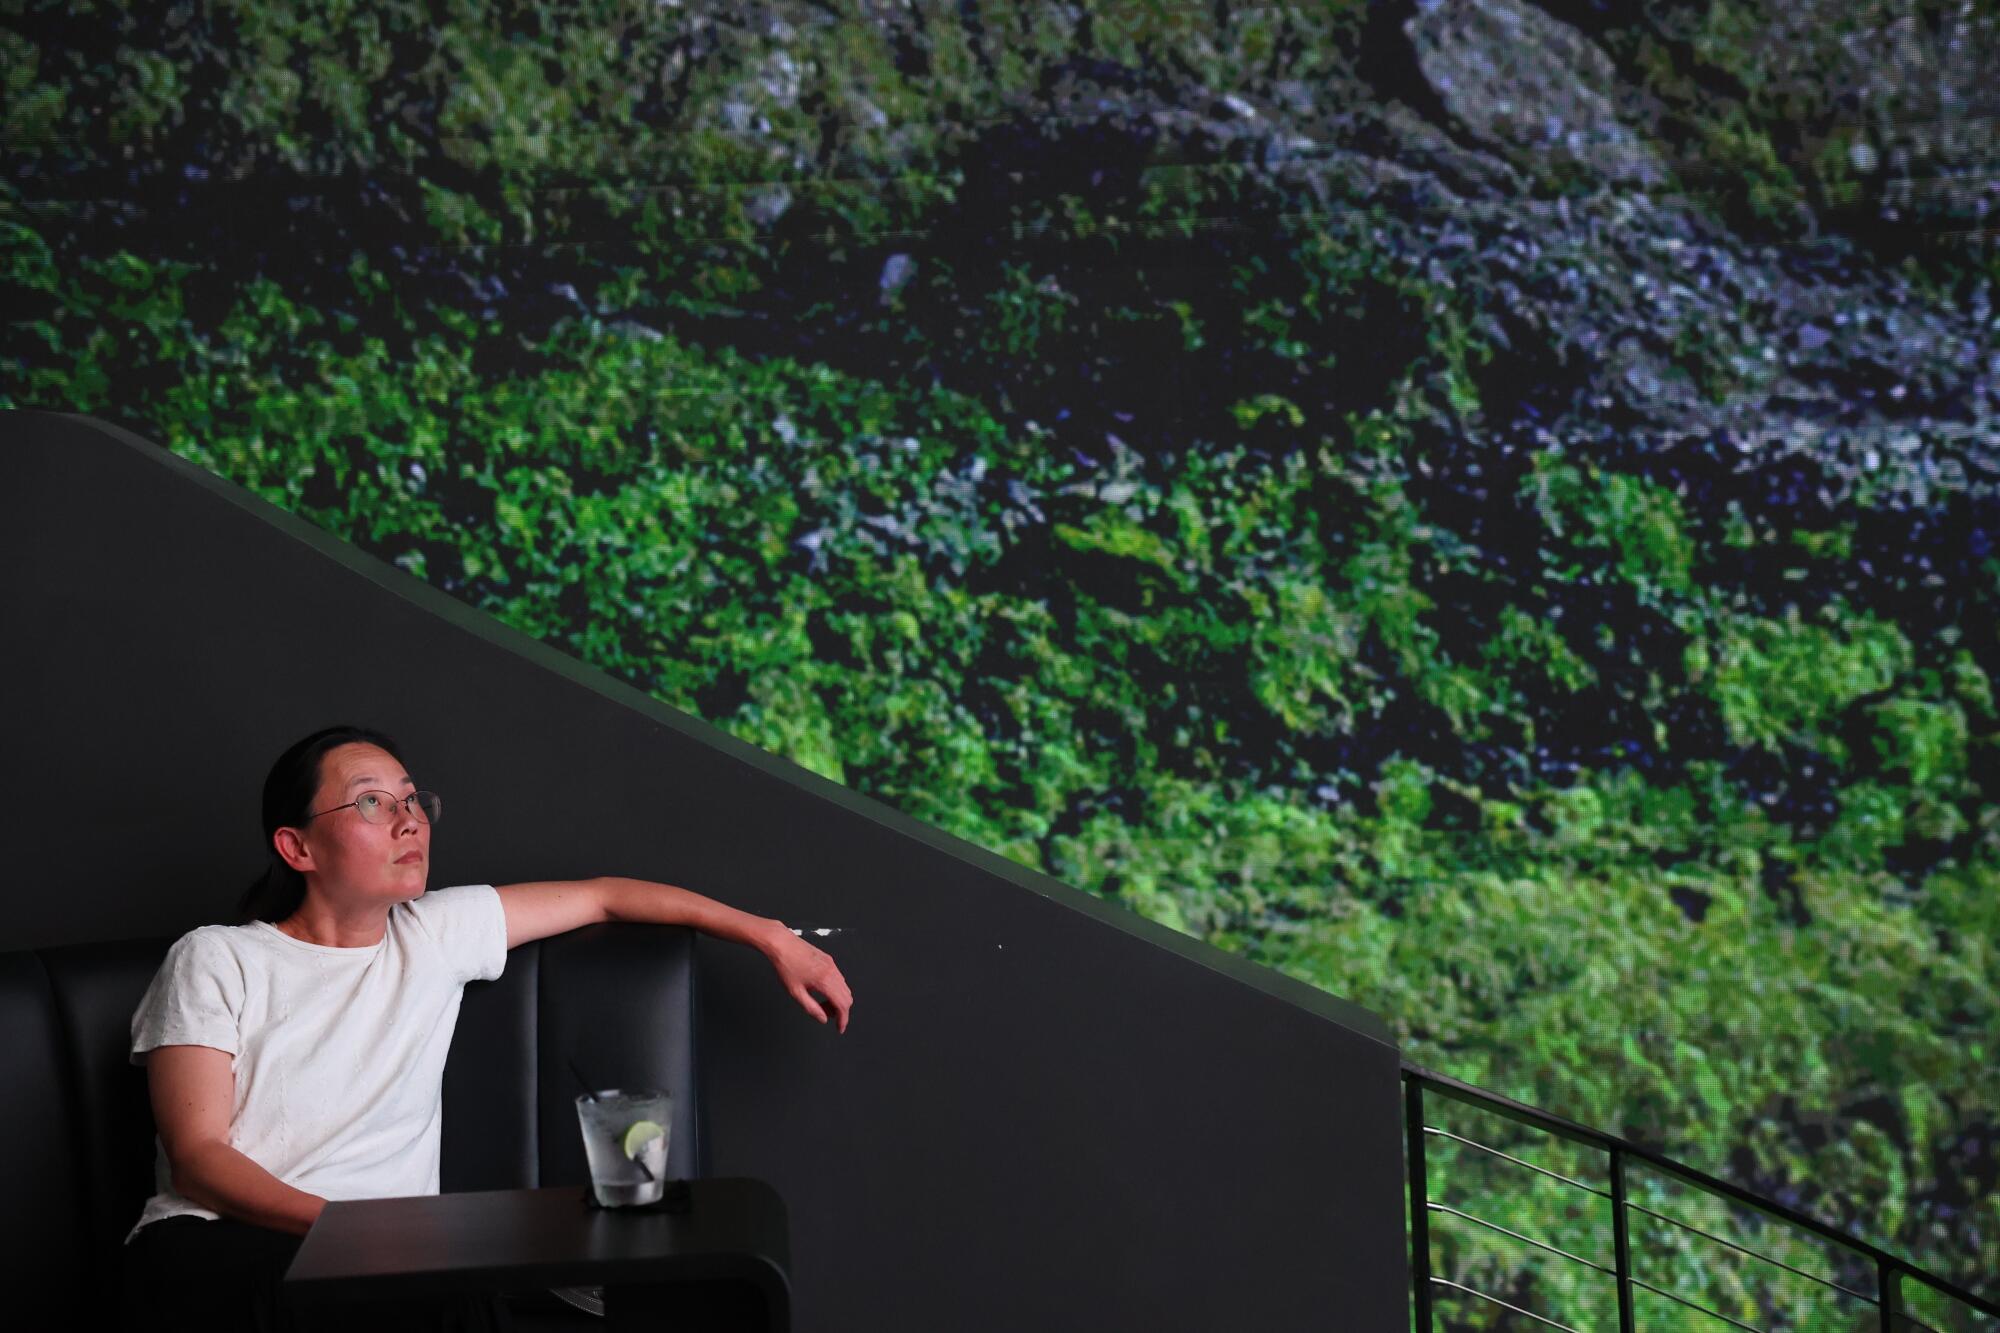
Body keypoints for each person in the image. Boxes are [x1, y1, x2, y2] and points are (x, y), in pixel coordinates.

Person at [121, 724, 853, 1330]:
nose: (410, 819)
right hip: (221, 1243)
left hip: (385, 1264)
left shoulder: (435, 933)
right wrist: (369, 1233)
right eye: (372, 803)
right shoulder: (218, 956)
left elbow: (604, 896)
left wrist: (774, 937)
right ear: (298, 847)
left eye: (413, 799)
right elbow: (200, 1158)